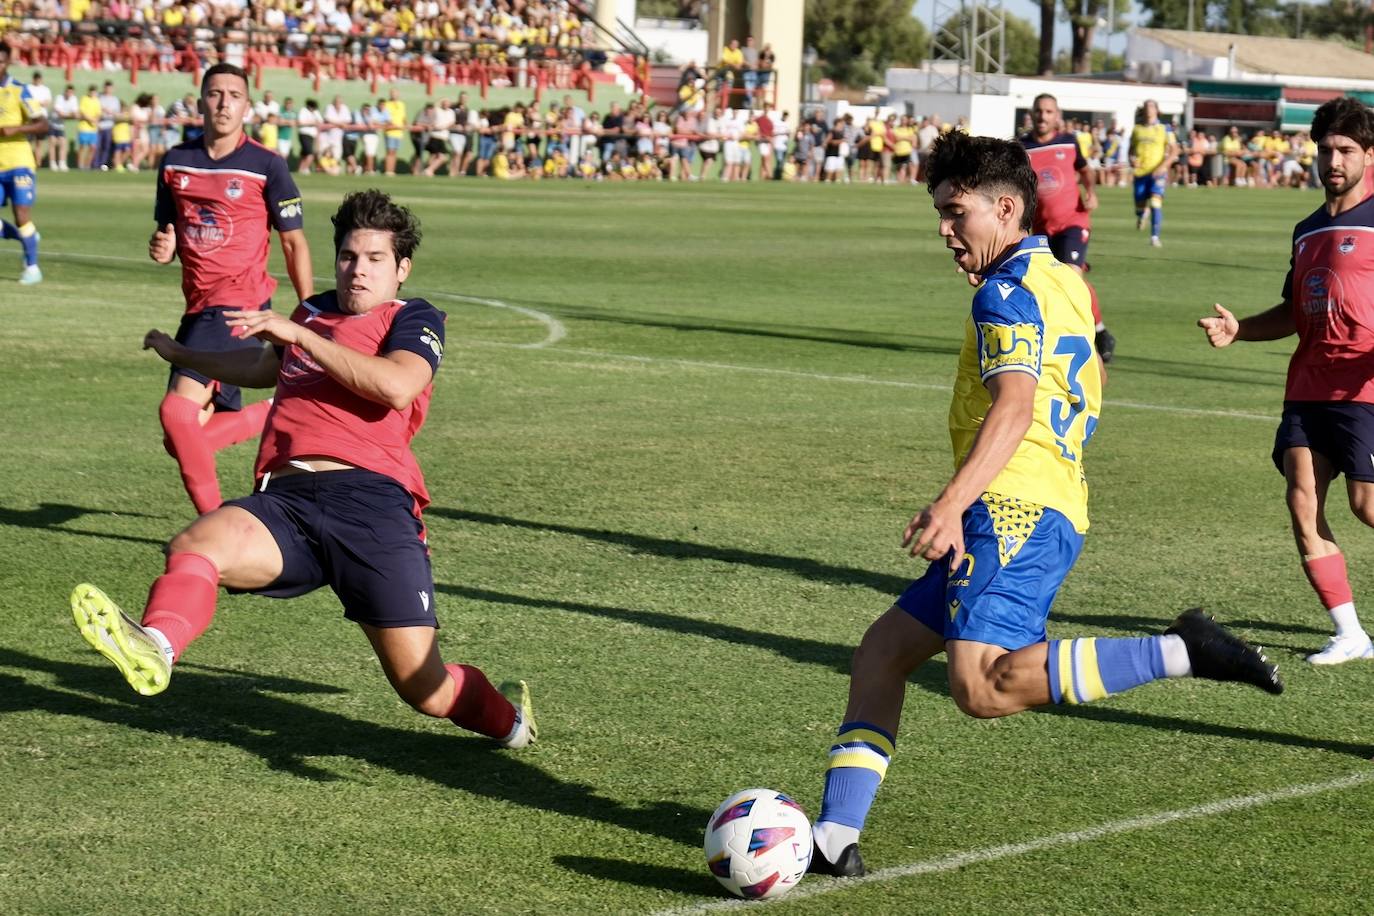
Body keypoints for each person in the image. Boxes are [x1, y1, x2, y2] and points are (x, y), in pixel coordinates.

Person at [809, 130, 1282, 879]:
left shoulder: (1004, 290)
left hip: (1013, 506)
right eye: (938, 212)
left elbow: (1017, 406)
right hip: (1043, 500)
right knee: (882, 653)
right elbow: (1087, 377)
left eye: (954, 212)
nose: (944, 230)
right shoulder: (1067, 281)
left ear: (1005, 207)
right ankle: (835, 836)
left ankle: (1180, 650)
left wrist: (952, 501)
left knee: (982, 686)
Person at [71, 188, 537, 752]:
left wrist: (301, 336)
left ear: (401, 268)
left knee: (425, 689)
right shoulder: (311, 311)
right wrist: (186, 356)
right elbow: (264, 365)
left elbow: (396, 385)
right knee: (197, 543)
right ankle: (156, 646)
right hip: (286, 501)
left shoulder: (413, 317)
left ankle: (510, 721)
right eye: (347, 256)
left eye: (374, 259)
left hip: (372, 504)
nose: (357, 271)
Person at [1198, 98, 1374, 666]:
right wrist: (1240, 330)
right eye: (1325, 150)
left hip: (1362, 388)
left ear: (1369, 155)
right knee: (1302, 501)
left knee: (1367, 504)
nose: (1333, 160)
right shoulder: (1307, 230)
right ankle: (1350, 632)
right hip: (1308, 383)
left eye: (1346, 150)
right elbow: (1294, 310)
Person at [150, 63, 313, 515]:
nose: (224, 103)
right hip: (198, 307)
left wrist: (307, 312)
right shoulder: (175, 161)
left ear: (247, 105)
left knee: (176, 414)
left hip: (238, 304)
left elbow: (293, 240)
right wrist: (163, 247)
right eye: (215, 94)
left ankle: (214, 525)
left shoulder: (266, 165)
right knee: (182, 439)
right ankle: (267, 414)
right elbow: (169, 233)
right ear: (200, 101)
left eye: (233, 95)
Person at [1018, 93, 1116, 363]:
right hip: (1039, 228)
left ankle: (1090, 336)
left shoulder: (1069, 142)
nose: (1043, 116)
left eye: (1049, 111)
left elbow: (1085, 170)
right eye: (1039, 111)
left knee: (1071, 278)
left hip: (1072, 221)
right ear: (1032, 113)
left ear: (1056, 116)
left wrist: (1091, 191)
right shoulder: (1020, 147)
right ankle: (1097, 332)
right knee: (1043, 283)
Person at [0, 43, 46, 285]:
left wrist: (17, 128)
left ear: (8, 63)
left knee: (21, 215)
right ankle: (26, 238)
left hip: (19, 163)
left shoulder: (19, 91)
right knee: (23, 227)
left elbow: (43, 125)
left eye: (1, 61)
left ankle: (32, 268)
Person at [1129, 100, 1178, 248]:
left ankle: (1154, 237)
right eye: (1146, 107)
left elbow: (1175, 150)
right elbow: (1131, 149)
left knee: (1156, 202)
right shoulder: (1137, 129)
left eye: (1151, 106)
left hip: (1157, 172)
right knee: (1139, 205)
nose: (1149, 109)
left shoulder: (1165, 129)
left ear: (1157, 110)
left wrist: (1164, 166)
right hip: (1140, 173)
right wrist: (1132, 159)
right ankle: (1142, 214)